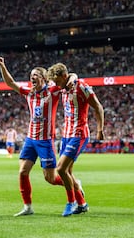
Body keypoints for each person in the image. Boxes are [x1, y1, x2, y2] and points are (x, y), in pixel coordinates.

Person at [0, 57, 78, 217]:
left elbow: (70, 77)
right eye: (30, 76)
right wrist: (2, 66)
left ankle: (75, 187)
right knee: (22, 172)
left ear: (43, 78)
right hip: (30, 140)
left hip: (45, 141)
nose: (32, 78)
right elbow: (10, 83)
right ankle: (28, 207)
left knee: (51, 179)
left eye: (35, 75)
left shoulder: (53, 92)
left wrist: (73, 77)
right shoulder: (29, 93)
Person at [47, 63, 105, 216]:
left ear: (63, 76)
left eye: (57, 81)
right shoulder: (64, 87)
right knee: (68, 172)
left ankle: (71, 202)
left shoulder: (81, 87)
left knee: (60, 169)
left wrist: (100, 129)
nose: (56, 84)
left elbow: (98, 107)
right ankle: (82, 204)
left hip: (79, 134)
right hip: (66, 135)